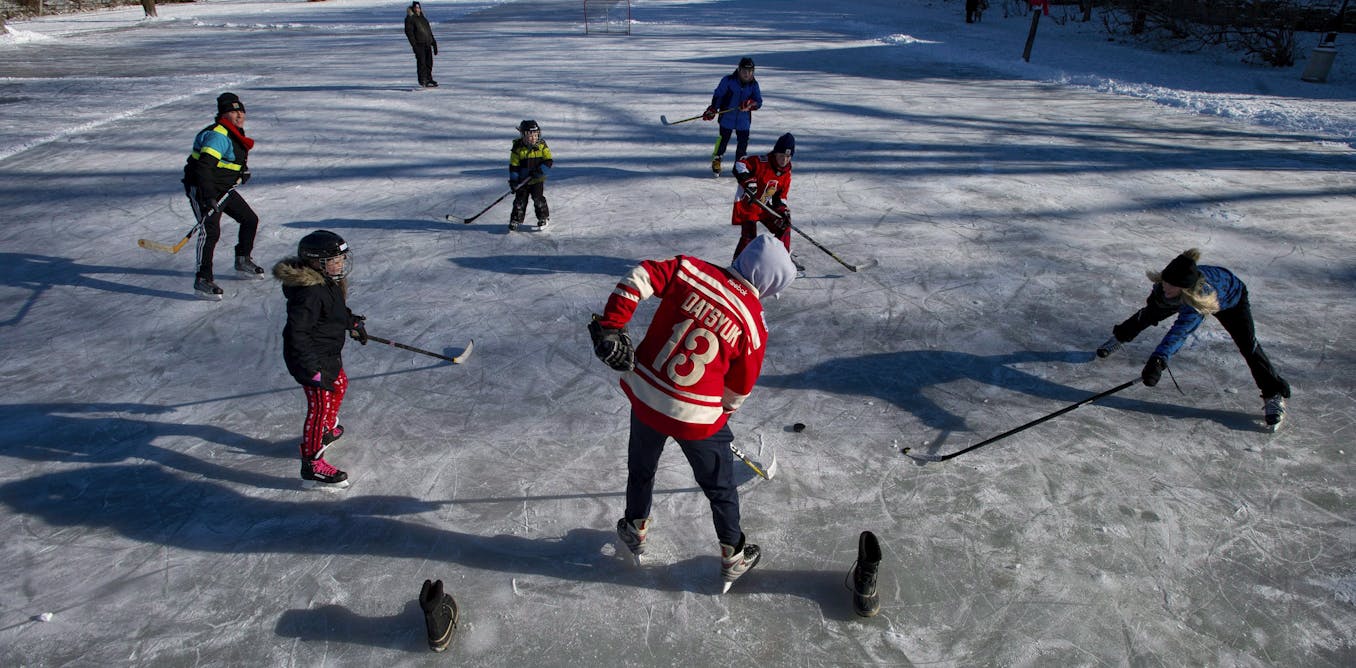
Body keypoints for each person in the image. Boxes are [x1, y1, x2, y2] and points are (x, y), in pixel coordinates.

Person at [588, 235, 798, 592]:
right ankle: (733, 553)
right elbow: (739, 389)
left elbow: (639, 277)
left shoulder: (690, 270)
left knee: (641, 469)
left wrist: (612, 325)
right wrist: (720, 418)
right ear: (768, 284)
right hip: (697, 419)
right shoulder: (753, 324)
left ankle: (635, 527)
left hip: (646, 394)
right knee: (720, 488)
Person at [1097, 248, 1292, 431]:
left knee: (1248, 345)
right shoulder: (1167, 285)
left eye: (1171, 285)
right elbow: (1154, 305)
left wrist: (1158, 359)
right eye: (1164, 281)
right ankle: (1118, 338)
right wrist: (1156, 303)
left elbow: (1180, 332)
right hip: (1191, 291)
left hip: (1232, 300)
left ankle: (1273, 393)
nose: (1165, 287)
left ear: (1184, 289)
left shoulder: (1197, 299)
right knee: (1149, 313)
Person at [273, 230, 369, 489]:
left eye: (341, 258)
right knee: (320, 407)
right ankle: (312, 464)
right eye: (333, 259)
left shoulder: (327, 282)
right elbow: (297, 333)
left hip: (328, 354)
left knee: (340, 385)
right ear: (316, 262)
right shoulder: (309, 293)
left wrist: (352, 322)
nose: (340, 264)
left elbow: (335, 311)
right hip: (312, 360)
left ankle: (325, 430)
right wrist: (310, 368)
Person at [182, 92, 262, 300]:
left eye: (240, 111)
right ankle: (203, 278)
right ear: (223, 114)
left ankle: (242, 259)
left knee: (249, 220)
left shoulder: (234, 132)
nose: (239, 115)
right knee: (210, 231)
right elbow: (204, 167)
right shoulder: (218, 134)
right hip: (203, 189)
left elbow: (231, 159)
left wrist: (241, 171)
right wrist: (207, 196)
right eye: (233, 111)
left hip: (223, 188)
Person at [731, 132, 794, 261]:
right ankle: (738, 262)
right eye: (782, 155)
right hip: (748, 206)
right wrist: (748, 181)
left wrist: (782, 210)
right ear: (775, 153)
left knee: (784, 225)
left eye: (788, 156)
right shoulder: (761, 162)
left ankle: (780, 258)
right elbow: (739, 164)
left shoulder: (786, 173)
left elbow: (780, 196)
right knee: (749, 236)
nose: (784, 160)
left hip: (763, 206)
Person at [704, 57, 762, 176]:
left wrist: (750, 104)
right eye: (745, 71)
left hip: (743, 121)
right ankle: (717, 159)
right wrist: (713, 108)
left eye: (751, 71)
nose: (747, 74)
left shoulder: (754, 85)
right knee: (722, 140)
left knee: (743, 144)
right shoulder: (728, 80)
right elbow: (718, 94)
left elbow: (758, 101)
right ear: (739, 70)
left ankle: (739, 166)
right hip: (726, 117)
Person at [507, 119, 553, 231]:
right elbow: (514, 166)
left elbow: (548, 161)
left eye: (535, 135)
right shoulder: (517, 148)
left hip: (537, 180)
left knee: (538, 199)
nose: (533, 138)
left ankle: (543, 217)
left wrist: (540, 171)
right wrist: (514, 181)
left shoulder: (542, 146)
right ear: (523, 135)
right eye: (529, 135)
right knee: (519, 201)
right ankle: (515, 219)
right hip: (523, 181)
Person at [405, 1, 438, 88]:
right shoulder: (410, 18)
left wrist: (433, 42)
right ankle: (423, 80)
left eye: (418, 8)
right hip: (419, 44)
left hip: (427, 43)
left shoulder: (423, 18)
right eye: (416, 8)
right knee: (422, 63)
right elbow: (409, 33)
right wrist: (414, 45)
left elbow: (428, 31)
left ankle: (429, 78)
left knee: (429, 62)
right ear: (413, 8)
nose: (417, 9)